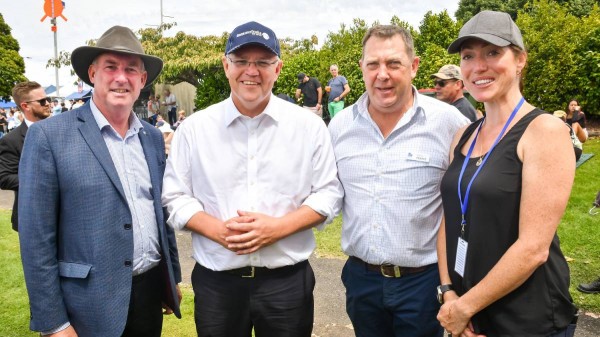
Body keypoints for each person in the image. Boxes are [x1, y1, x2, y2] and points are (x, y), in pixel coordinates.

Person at [162, 21, 343, 337]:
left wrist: (276, 229)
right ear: (225, 65)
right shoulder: (195, 129)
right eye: (242, 61)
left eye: (263, 62)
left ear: (278, 68)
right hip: (218, 284)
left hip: (286, 282)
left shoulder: (309, 127)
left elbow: (328, 194)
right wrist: (220, 232)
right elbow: (175, 198)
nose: (251, 70)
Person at [18, 25, 182, 337]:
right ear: (92, 74)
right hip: (87, 304)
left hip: (148, 294)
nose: (121, 77)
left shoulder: (150, 136)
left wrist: (170, 278)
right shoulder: (49, 137)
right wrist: (54, 323)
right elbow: (36, 239)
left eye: (131, 69)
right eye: (111, 67)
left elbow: (160, 212)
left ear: (142, 80)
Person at [437, 11, 578, 337]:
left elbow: (533, 248)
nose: (478, 66)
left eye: (492, 52)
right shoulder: (463, 135)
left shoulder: (544, 131)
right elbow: (448, 217)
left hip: (524, 318)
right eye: (468, 56)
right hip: (465, 311)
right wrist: (448, 292)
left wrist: (463, 308)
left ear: (520, 60)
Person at [328, 24, 469, 337]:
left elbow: (467, 203)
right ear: (362, 68)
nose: (383, 74)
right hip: (361, 279)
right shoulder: (339, 127)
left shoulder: (449, 123)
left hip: (422, 282)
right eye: (373, 64)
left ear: (414, 66)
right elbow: (326, 194)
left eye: (394, 63)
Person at [0, 81, 51, 232]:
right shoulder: (11, 140)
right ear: (25, 106)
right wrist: (44, 180)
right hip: (32, 218)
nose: (48, 103)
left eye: (48, 99)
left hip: (68, 217)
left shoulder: (65, 131)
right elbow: (4, 178)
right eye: (42, 101)